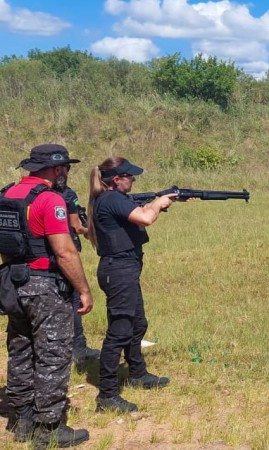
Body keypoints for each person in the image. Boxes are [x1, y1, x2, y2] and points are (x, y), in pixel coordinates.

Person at [1, 144, 93, 448]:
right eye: (65, 167)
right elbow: (65, 252)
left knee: (20, 350)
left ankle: (22, 418)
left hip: (13, 283)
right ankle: (48, 426)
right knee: (53, 354)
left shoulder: (6, 195)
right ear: (56, 169)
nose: (66, 172)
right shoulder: (50, 199)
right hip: (45, 286)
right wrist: (83, 289)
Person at [86, 156, 175, 414]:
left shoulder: (113, 199)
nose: (133, 180)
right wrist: (158, 204)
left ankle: (137, 373)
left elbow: (138, 212)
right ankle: (107, 395)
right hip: (119, 271)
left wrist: (161, 202)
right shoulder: (112, 199)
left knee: (138, 324)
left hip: (125, 270)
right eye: (130, 176)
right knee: (119, 331)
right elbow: (146, 218)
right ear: (117, 179)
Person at [60, 184, 102, 361]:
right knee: (76, 300)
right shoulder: (67, 193)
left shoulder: (39, 193)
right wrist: (92, 231)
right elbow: (76, 226)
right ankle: (78, 347)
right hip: (67, 252)